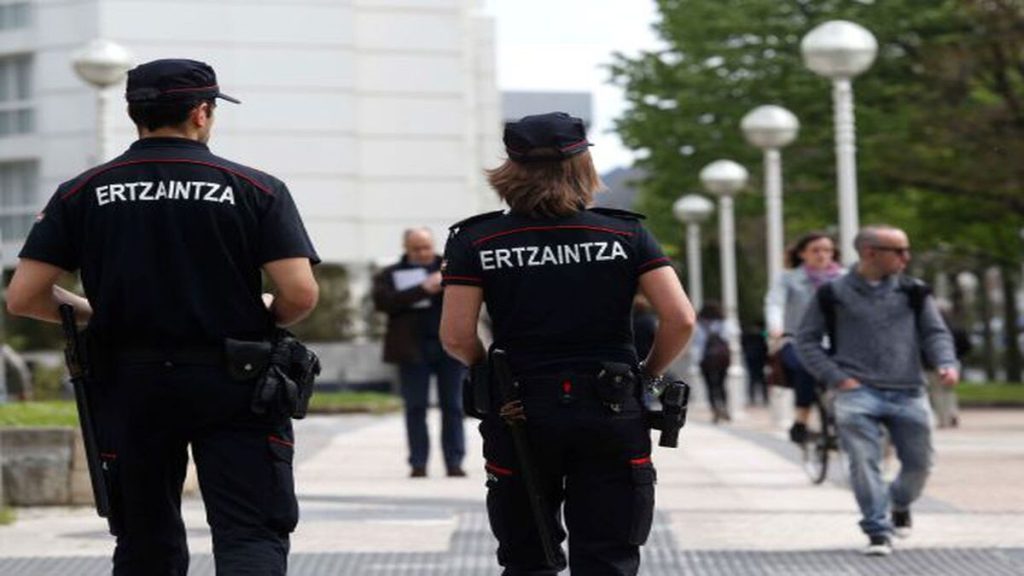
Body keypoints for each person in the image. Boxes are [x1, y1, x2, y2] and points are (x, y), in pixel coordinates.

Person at [6, 59, 320, 575]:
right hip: (236, 381)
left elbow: (24, 296)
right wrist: (264, 312)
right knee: (250, 532)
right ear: (200, 112)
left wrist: (92, 313)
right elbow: (300, 294)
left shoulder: (83, 191)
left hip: (130, 381)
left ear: (135, 112)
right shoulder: (256, 188)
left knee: (144, 540)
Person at [439, 112, 695, 575]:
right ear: (583, 167)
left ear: (509, 168)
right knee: (609, 556)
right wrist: (650, 375)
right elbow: (680, 318)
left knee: (527, 558)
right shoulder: (625, 234)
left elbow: (456, 336)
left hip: (519, 407)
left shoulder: (476, 240)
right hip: (611, 406)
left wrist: (488, 373)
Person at [796, 225, 958, 557]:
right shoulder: (832, 293)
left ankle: (899, 502)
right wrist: (837, 377)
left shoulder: (915, 291)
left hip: (909, 390)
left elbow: (935, 333)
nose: (906, 257)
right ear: (870, 253)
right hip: (856, 393)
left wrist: (946, 362)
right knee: (863, 461)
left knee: (920, 463)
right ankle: (876, 530)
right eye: (898, 251)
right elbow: (807, 340)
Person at [372, 227, 466, 478]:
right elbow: (383, 303)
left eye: (426, 247)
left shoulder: (452, 267)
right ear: (406, 248)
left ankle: (455, 462)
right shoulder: (391, 273)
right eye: (416, 248)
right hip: (412, 349)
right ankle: (418, 463)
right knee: (415, 407)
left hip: (449, 346)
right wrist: (424, 288)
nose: (422, 253)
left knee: (453, 406)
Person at [764, 231, 843, 443]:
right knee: (806, 363)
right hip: (797, 339)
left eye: (827, 250)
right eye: (815, 250)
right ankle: (801, 419)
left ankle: (844, 415)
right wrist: (776, 326)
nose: (822, 255)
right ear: (802, 254)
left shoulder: (844, 279)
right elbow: (775, 303)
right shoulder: (789, 279)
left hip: (837, 340)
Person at [691, 302, 731, 423]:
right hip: (722, 359)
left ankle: (714, 409)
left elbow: (697, 344)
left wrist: (697, 360)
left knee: (709, 385)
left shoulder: (699, 325)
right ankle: (724, 406)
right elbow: (729, 337)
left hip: (706, 359)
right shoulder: (723, 323)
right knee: (721, 384)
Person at [741, 322, 769, 406]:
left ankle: (752, 398)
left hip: (750, 358)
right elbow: (765, 347)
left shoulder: (747, 335)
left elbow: (743, 345)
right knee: (762, 379)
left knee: (752, 378)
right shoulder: (761, 335)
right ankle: (765, 398)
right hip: (760, 358)